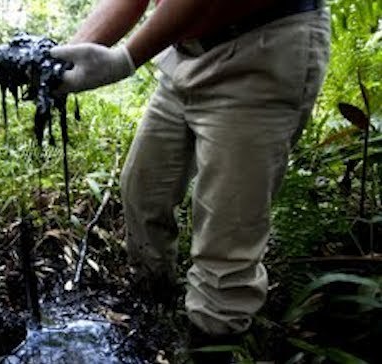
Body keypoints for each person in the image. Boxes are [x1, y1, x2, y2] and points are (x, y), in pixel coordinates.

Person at [50, 0, 330, 362]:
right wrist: (64, 60)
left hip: (262, 49)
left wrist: (126, 58)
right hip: (185, 53)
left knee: (227, 231)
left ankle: (211, 345)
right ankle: (154, 304)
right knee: (143, 189)